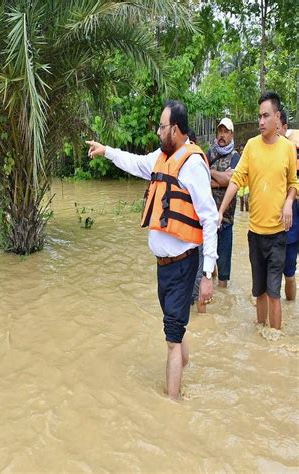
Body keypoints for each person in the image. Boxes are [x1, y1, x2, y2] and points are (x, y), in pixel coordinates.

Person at [86, 100, 218, 400]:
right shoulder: (161, 158)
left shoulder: (193, 164)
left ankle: (171, 405)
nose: (158, 131)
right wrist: (106, 151)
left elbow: (210, 219)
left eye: (161, 126)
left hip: (184, 264)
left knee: (171, 339)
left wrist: (208, 273)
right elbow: (133, 162)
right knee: (175, 326)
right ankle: (186, 365)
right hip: (165, 266)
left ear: (175, 129)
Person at [218, 92, 298, 329]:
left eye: (265, 116)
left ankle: (274, 340)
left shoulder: (287, 149)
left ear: (277, 117)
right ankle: (262, 336)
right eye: (259, 116)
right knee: (259, 292)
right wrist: (221, 210)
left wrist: (288, 202)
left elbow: (293, 183)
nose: (261, 121)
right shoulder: (251, 147)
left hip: (278, 235)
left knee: (274, 293)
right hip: (255, 234)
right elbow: (236, 181)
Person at [192, 118, 240, 312]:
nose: (222, 135)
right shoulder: (208, 153)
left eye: (226, 132)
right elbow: (200, 177)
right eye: (220, 131)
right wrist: (220, 178)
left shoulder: (237, 157)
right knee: (207, 267)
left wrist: (212, 175)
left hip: (226, 219)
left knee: (224, 273)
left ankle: (223, 305)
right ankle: (209, 302)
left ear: (232, 135)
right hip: (207, 221)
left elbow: (233, 180)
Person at [278, 110, 298, 300]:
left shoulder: (291, 150)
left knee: (289, 273)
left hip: (292, 221)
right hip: (274, 225)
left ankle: (291, 305)